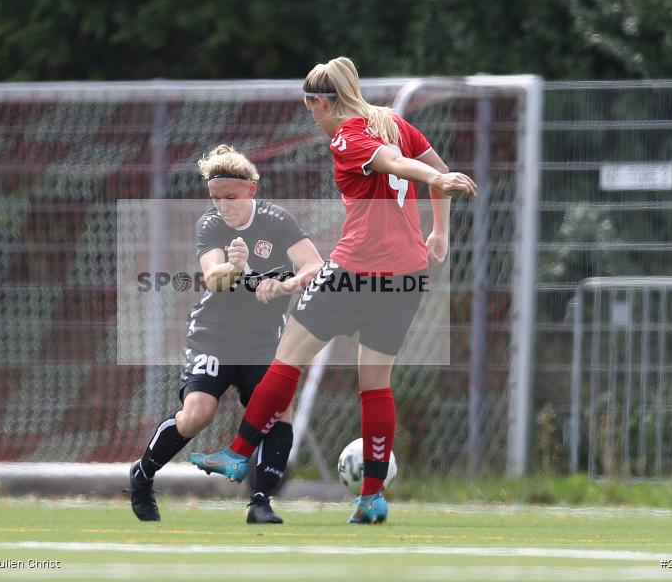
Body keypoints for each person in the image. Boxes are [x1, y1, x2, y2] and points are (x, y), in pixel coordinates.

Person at [189, 57, 476, 524]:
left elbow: (395, 163)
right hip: (405, 277)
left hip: (355, 270)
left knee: (287, 359)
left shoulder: (349, 136)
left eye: (311, 108)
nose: (313, 118)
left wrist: (432, 181)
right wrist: (439, 230)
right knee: (376, 384)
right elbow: (430, 168)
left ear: (323, 102)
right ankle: (372, 497)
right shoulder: (395, 123)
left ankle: (239, 453)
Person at [125, 144, 324, 524]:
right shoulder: (211, 225)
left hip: (264, 338)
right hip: (213, 333)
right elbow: (214, 278)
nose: (223, 205)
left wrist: (285, 286)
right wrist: (233, 268)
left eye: (230, 197)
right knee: (198, 412)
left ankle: (261, 502)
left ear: (251, 188)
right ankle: (143, 474)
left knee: (279, 412)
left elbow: (315, 267)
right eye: (215, 198)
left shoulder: (278, 221)